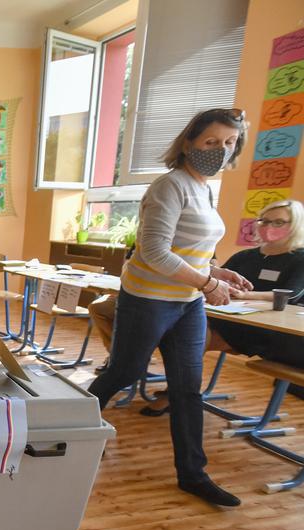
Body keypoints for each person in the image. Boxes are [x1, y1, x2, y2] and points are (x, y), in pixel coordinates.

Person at [86, 108, 253, 508]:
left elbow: (187, 251)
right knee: (123, 371)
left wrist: (216, 272)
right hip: (148, 300)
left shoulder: (205, 189)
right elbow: (156, 252)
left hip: (188, 303)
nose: (220, 150)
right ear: (189, 143)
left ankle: (193, 475)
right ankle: (70, 430)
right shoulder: (170, 186)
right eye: (212, 141)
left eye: (229, 144)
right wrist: (208, 282)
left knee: (186, 388)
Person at [141, 198, 304, 414]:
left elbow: (291, 295)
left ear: (295, 225)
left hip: (262, 329)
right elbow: (215, 279)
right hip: (225, 315)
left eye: (278, 222)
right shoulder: (245, 256)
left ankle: (176, 394)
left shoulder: (299, 259)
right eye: (264, 221)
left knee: (191, 336)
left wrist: (246, 294)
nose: (268, 227)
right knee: (172, 325)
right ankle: (141, 372)